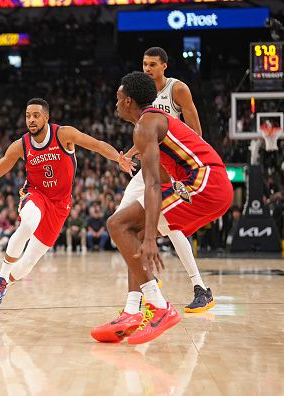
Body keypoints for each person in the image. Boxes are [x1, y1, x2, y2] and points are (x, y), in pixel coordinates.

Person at [92, 71, 233, 345]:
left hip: (207, 183)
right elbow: (158, 178)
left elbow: (154, 184)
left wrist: (149, 237)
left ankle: (159, 307)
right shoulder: (151, 123)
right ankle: (133, 310)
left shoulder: (146, 124)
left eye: (118, 98)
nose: (115, 103)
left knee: (117, 224)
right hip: (206, 185)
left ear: (129, 101)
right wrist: (144, 233)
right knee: (125, 228)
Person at [0, 98, 134, 311]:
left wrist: (118, 158)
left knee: (27, 263)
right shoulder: (21, 145)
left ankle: (3, 284)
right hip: (35, 194)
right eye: (28, 116)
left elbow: (96, 145)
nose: (31, 120)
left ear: (46, 117)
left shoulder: (64, 134)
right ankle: (0, 278)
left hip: (60, 204)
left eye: (36, 115)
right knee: (28, 223)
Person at [119, 47, 214, 314]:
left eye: (152, 64)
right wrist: (127, 155)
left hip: (175, 166)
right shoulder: (142, 96)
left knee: (173, 228)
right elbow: (146, 137)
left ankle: (200, 288)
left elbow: (195, 132)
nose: (147, 69)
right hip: (151, 166)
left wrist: (187, 168)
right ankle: (146, 288)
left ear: (164, 66)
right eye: (144, 64)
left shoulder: (177, 89)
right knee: (121, 219)